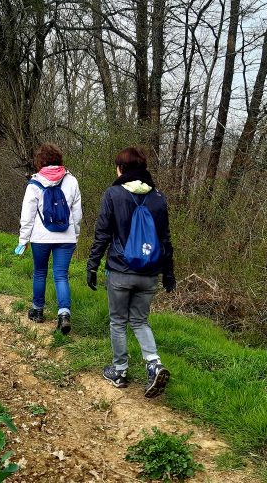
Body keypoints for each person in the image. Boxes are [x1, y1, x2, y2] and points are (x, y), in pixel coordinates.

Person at [86, 146, 175, 397]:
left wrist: (92, 265)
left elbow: (102, 234)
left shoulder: (113, 194)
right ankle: (154, 363)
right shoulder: (158, 197)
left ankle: (120, 371)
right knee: (140, 321)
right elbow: (165, 240)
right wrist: (168, 273)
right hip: (149, 273)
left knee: (118, 322)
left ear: (121, 169)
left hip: (120, 271)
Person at [16, 143, 82, 334]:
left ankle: (37, 311)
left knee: (40, 272)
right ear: (59, 159)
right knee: (61, 275)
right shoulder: (72, 181)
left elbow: (27, 216)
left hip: (40, 237)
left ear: (40, 162)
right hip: (66, 236)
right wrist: (75, 234)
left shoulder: (35, 183)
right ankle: (64, 314)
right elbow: (77, 213)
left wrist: (23, 240)